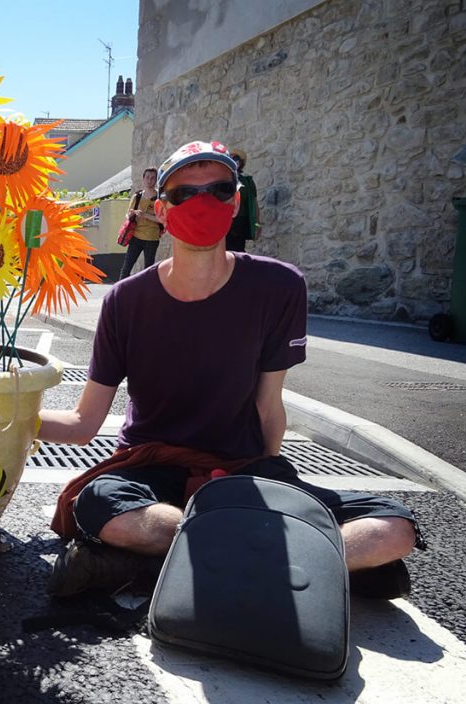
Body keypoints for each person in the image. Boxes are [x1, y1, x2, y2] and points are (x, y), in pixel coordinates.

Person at [40, 140, 421, 602]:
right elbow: (85, 424)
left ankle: (153, 564)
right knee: (101, 504)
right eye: (184, 194)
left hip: (242, 469)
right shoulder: (126, 300)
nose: (203, 202)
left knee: (395, 527)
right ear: (161, 209)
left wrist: (268, 478)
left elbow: (268, 404)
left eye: (219, 190)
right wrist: (0, 418)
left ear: (235, 202)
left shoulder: (279, 286)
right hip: (151, 468)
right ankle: (303, 565)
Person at [117, 166, 163, 279]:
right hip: (136, 237)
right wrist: (131, 214)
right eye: (147, 177)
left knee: (149, 270)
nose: (150, 180)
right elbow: (127, 215)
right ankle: (120, 293)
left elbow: (162, 219)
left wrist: (145, 215)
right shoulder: (137, 197)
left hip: (152, 239)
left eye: (153, 178)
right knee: (126, 267)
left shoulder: (159, 199)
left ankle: (148, 294)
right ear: (143, 178)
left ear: (156, 180)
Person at [224, 148, 260, 252]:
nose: (234, 161)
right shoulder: (222, 179)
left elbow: (254, 203)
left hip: (240, 222)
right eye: (231, 158)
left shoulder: (247, 181)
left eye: (236, 158)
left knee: (238, 250)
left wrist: (256, 224)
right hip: (224, 220)